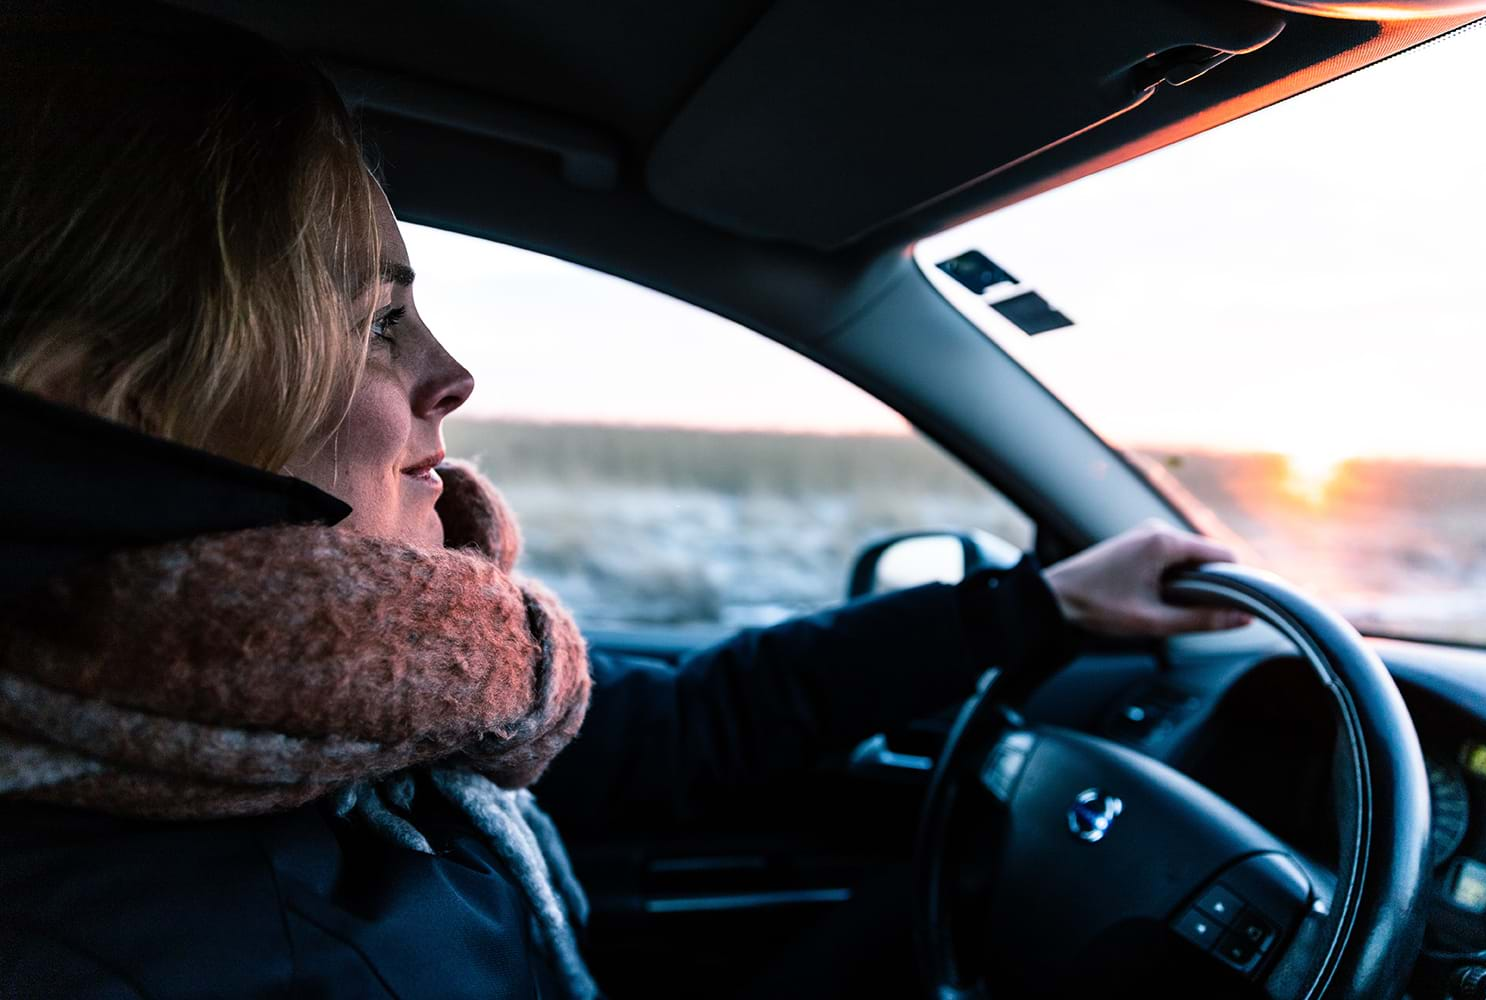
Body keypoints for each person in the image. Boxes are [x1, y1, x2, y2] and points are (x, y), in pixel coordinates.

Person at [0, 3, 1249, 998]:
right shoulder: (157, 946)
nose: (452, 374)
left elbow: (675, 731)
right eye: (378, 321)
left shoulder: (330, 704)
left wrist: (1033, 608)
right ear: (106, 406)